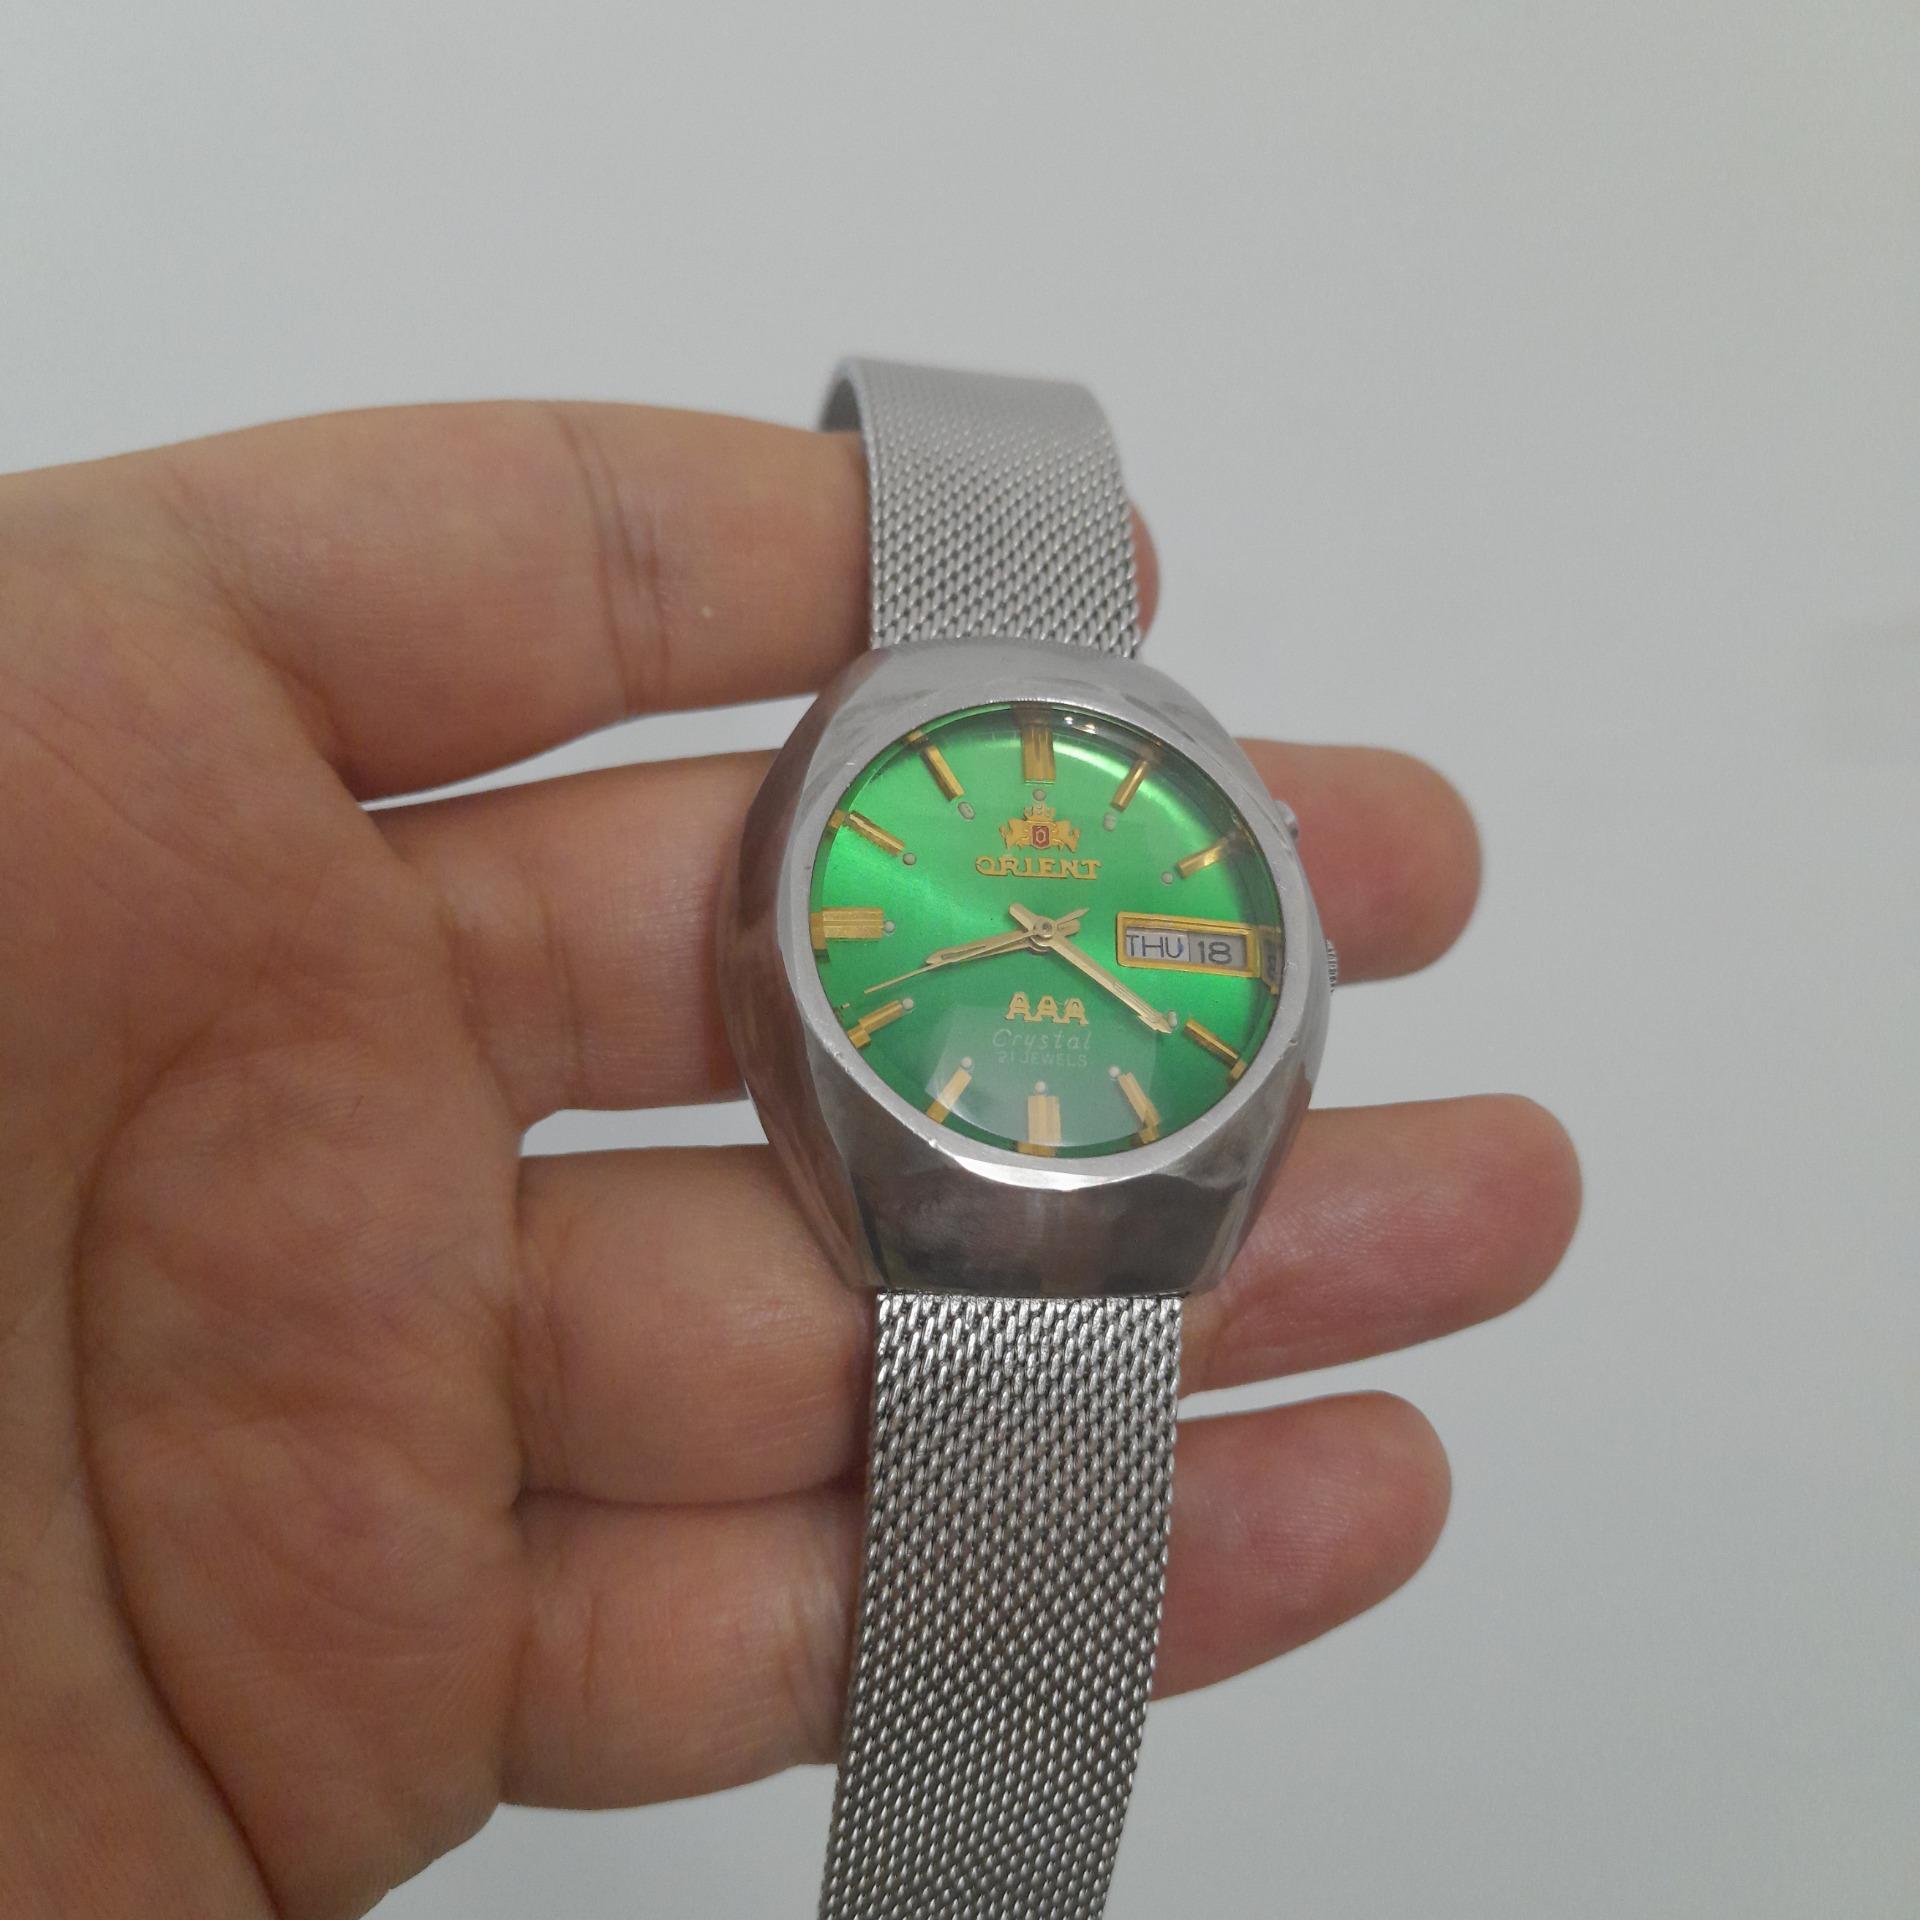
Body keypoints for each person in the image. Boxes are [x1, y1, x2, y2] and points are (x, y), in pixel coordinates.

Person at [0, 398, 1580, 1917]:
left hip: (1142, 1189)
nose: (1040, 933)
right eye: (1017, 923)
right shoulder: (866, 875)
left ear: (1272, 899)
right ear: (761, 936)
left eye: (1058, 923)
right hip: (957, 1183)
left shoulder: (1090, 870)